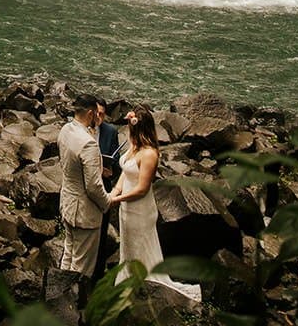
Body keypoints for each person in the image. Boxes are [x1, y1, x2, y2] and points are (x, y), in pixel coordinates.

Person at [108, 104, 201, 303]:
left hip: (140, 208)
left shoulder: (149, 154)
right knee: (128, 247)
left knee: (140, 246)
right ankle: (127, 282)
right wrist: (115, 191)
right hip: (126, 207)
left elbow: (142, 189)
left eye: (131, 126)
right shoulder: (133, 146)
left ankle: (147, 287)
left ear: (139, 128)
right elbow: (125, 172)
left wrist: (117, 199)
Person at [58, 91, 112, 288]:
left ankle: (57, 297)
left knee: (68, 256)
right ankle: (73, 308)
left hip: (68, 203)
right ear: (90, 113)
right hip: (85, 213)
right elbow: (93, 186)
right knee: (81, 267)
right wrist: (107, 203)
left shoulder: (65, 130)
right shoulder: (88, 143)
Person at [93, 97, 121, 281]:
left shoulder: (110, 131)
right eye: (96, 113)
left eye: (102, 114)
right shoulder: (78, 129)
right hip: (85, 187)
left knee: (101, 233)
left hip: (104, 185)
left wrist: (111, 169)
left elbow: (117, 159)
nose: (99, 117)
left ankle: (97, 274)